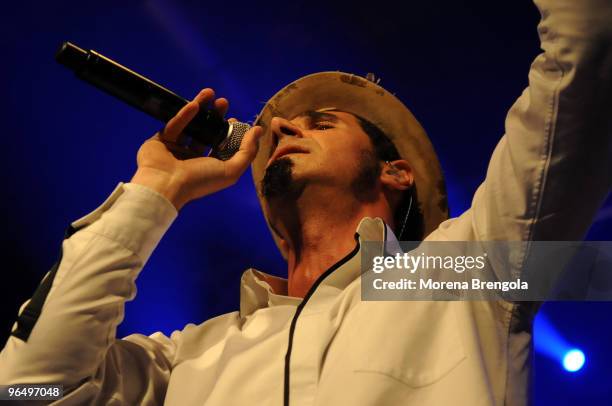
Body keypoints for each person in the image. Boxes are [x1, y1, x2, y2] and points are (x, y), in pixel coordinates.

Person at [1, 0, 611, 404]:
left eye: (318, 122)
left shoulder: (464, 270)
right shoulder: (187, 354)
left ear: (396, 172)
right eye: (282, 129)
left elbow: (590, 45)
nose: (284, 130)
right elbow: (25, 390)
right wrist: (153, 192)